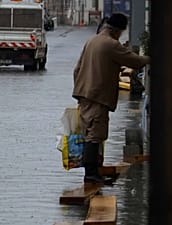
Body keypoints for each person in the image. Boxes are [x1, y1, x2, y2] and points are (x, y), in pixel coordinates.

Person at [72, 13, 150, 183]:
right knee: (95, 134)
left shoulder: (92, 41)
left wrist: (79, 90)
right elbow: (135, 61)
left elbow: (77, 69)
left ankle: (94, 172)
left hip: (85, 93)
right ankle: (91, 175)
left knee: (89, 133)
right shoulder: (110, 44)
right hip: (98, 95)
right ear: (117, 30)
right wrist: (152, 58)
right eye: (122, 32)